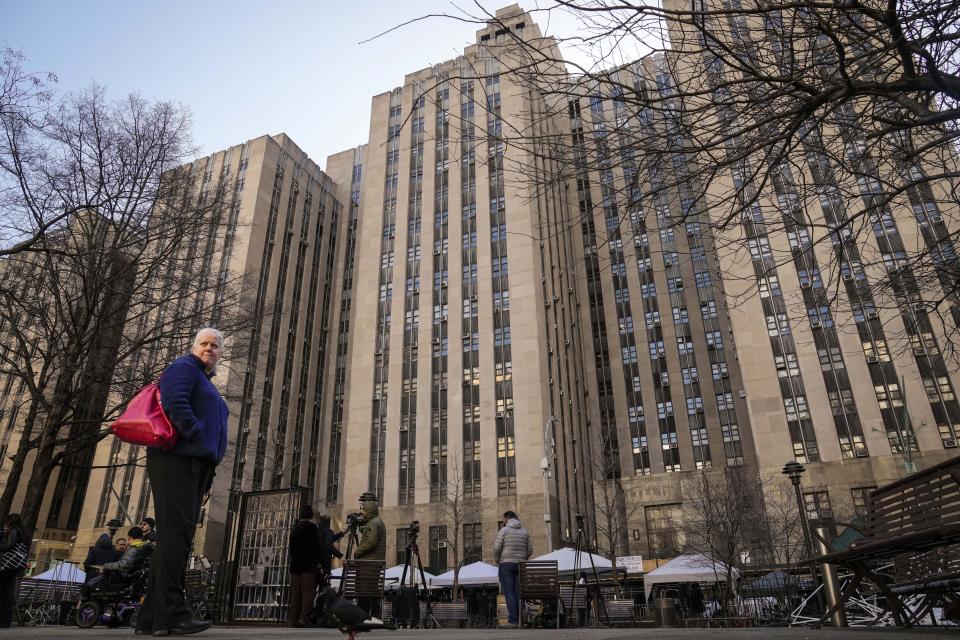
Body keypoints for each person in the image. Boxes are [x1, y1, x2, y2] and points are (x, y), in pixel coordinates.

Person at [135, 328, 229, 637]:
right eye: (204, 343)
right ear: (194, 347)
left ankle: (151, 619)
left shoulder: (205, 381)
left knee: (174, 538)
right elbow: (175, 402)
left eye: (215, 346)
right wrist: (197, 435)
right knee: (176, 537)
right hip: (174, 459)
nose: (209, 349)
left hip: (195, 466)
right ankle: (173, 614)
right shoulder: (183, 367)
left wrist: (208, 472)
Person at [494, 510, 532, 629]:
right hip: (520, 565)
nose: (503, 522)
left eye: (503, 519)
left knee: (509, 592)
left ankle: (513, 620)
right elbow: (530, 550)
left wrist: (497, 560)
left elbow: (496, 547)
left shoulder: (504, 530)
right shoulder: (525, 531)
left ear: (507, 518)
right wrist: (522, 558)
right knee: (517, 592)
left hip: (506, 564)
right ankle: (520, 620)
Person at [352, 492, 385, 619]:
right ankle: (375, 618)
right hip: (374, 562)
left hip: (369, 563)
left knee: (365, 593)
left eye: (364, 510)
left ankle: (363, 618)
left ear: (369, 511)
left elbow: (370, 542)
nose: (362, 513)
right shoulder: (377, 522)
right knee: (372, 593)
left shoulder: (373, 524)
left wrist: (357, 552)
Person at [288, 504, 321, 628]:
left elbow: (291, 547)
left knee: (295, 593)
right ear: (310, 515)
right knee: (308, 593)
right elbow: (317, 547)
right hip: (308, 564)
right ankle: (304, 618)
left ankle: (293, 620)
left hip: (295, 564)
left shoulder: (295, 528)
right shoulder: (312, 528)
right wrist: (321, 562)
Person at [0, 513, 29, 628]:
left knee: (4, 592)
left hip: (6, 565)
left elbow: (8, 546)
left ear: (10, 522)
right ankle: (5, 621)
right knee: (7, 593)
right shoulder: (23, 532)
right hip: (15, 565)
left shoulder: (14, 531)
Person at [317, 515, 344, 585]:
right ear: (329, 522)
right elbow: (328, 545)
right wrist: (340, 555)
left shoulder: (318, 530)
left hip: (317, 560)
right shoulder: (328, 531)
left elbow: (328, 540)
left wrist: (340, 534)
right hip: (325, 561)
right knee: (324, 582)